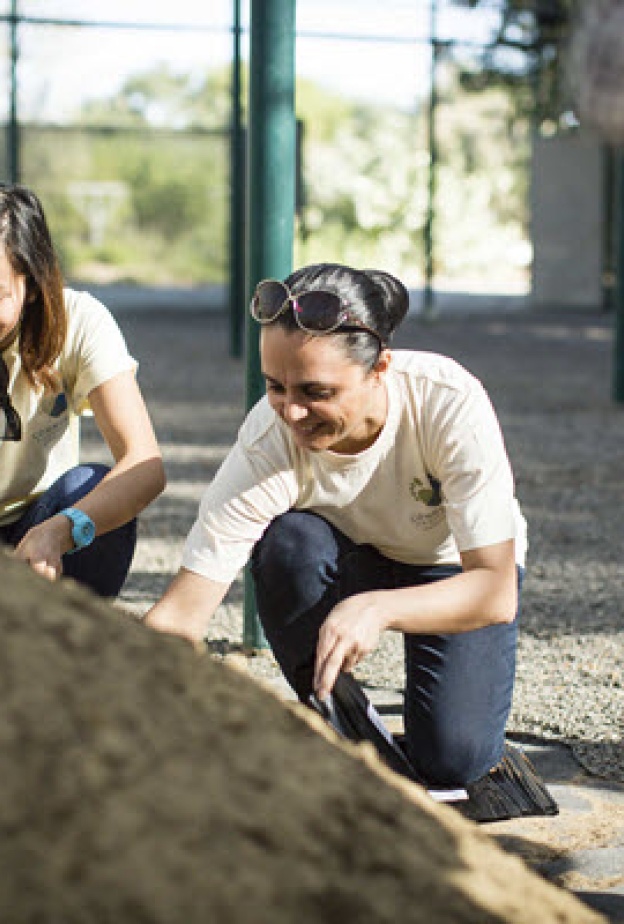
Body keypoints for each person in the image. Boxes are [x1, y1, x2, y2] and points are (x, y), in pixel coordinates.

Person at [145, 262, 556, 821]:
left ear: (380, 368)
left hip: (451, 572)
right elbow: (183, 612)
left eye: (316, 392)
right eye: (274, 386)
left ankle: (430, 742)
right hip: (347, 557)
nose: (291, 412)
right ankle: (341, 727)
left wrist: (377, 609)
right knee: (288, 543)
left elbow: (493, 590)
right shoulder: (269, 439)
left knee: (455, 758)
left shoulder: (446, 399)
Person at [0, 183, 165, 597]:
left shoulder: (78, 321)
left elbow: (144, 464)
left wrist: (60, 532)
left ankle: (61, 643)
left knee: (91, 486)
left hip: (34, 527)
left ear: (32, 285)